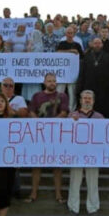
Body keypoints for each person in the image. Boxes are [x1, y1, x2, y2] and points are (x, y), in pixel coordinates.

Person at [26, 73, 69, 203]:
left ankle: (58, 195)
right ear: (44, 82)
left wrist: (51, 123)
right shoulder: (37, 96)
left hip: (56, 135)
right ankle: (33, 194)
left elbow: (64, 113)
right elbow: (31, 111)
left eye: (54, 81)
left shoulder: (62, 96)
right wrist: (40, 123)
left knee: (57, 166)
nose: (52, 83)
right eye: (49, 81)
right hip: (39, 134)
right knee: (37, 165)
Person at [67, 90, 104, 216]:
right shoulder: (72, 115)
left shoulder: (99, 117)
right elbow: (66, 134)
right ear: (80, 100)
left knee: (93, 181)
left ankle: (93, 208)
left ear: (93, 101)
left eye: (89, 98)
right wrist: (72, 122)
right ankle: (73, 207)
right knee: (75, 180)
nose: (87, 100)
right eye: (85, 98)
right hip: (76, 153)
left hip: (93, 154)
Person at [76, 38, 109, 118]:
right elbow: (82, 72)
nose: (97, 45)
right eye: (95, 43)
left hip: (104, 87)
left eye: (99, 43)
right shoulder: (87, 56)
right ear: (92, 45)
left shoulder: (107, 56)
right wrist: (79, 86)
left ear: (102, 45)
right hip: (89, 85)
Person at [56, 26, 84, 111]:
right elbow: (58, 52)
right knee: (59, 91)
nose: (70, 35)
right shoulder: (62, 43)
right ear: (65, 34)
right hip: (62, 73)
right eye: (68, 33)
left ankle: (72, 110)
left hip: (72, 72)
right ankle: (57, 108)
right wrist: (71, 51)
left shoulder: (77, 45)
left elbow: (82, 57)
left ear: (74, 34)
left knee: (72, 93)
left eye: (71, 33)